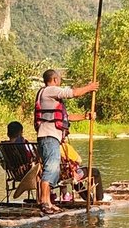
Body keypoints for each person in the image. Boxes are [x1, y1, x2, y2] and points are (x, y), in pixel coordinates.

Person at [33, 67, 96, 211]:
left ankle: (48, 202)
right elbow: (72, 93)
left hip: (48, 137)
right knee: (51, 168)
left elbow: (66, 117)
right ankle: (44, 201)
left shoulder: (47, 96)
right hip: (49, 137)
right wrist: (90, 87)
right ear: (54, 80)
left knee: (51, 168)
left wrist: (85, 116)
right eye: (59, 80)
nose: (60, 82)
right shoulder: (50, 90)